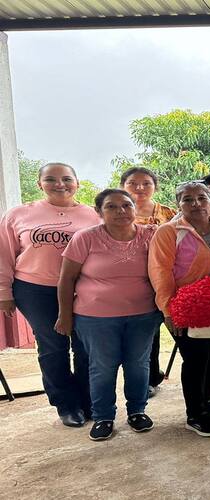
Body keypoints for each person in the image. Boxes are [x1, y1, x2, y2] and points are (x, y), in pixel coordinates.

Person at [0, 162, 100, 427]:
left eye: (67, 178)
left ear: (77, 183)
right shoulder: (18, 215)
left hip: (83, 289)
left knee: (86, 346)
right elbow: (4, 255)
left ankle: (89, 401)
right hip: (35, 290)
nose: (60, 184)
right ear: (39, 184)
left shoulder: (93, 215)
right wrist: (4, 292)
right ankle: (66, 405)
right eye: (51, 179)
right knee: (53, 347)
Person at [55, 189, 159, 441]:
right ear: (99, 212)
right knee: (102, 367)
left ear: (135, 208)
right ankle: (103, 416)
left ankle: (137, 411)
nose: (120, 211)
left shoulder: (151, 236)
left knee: (138, 365)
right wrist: (65, 315)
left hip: (143, 314)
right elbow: (66, 278)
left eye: (126, 205)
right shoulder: (85, 238)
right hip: (95, 317)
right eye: (111, 207)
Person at [148, 181, 210, 437]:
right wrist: (169, 311)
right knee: (196, 358)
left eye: (201, 198)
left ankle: (207, 404)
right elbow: (160, 272)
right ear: (178, 204)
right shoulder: (168, 232)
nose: (196, 204)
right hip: (184, 304)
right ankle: (194, 413)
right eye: (188, 199)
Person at [121, 166, 177, 397]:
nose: (140, 188)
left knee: (180, 328)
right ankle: (149, 378)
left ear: (155, 186)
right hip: (135, 282)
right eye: (133, 183)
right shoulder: (118, 213)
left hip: (167, 279)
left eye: (146, 183)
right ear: (123, 186)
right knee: (146, 335)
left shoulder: (169, 213)